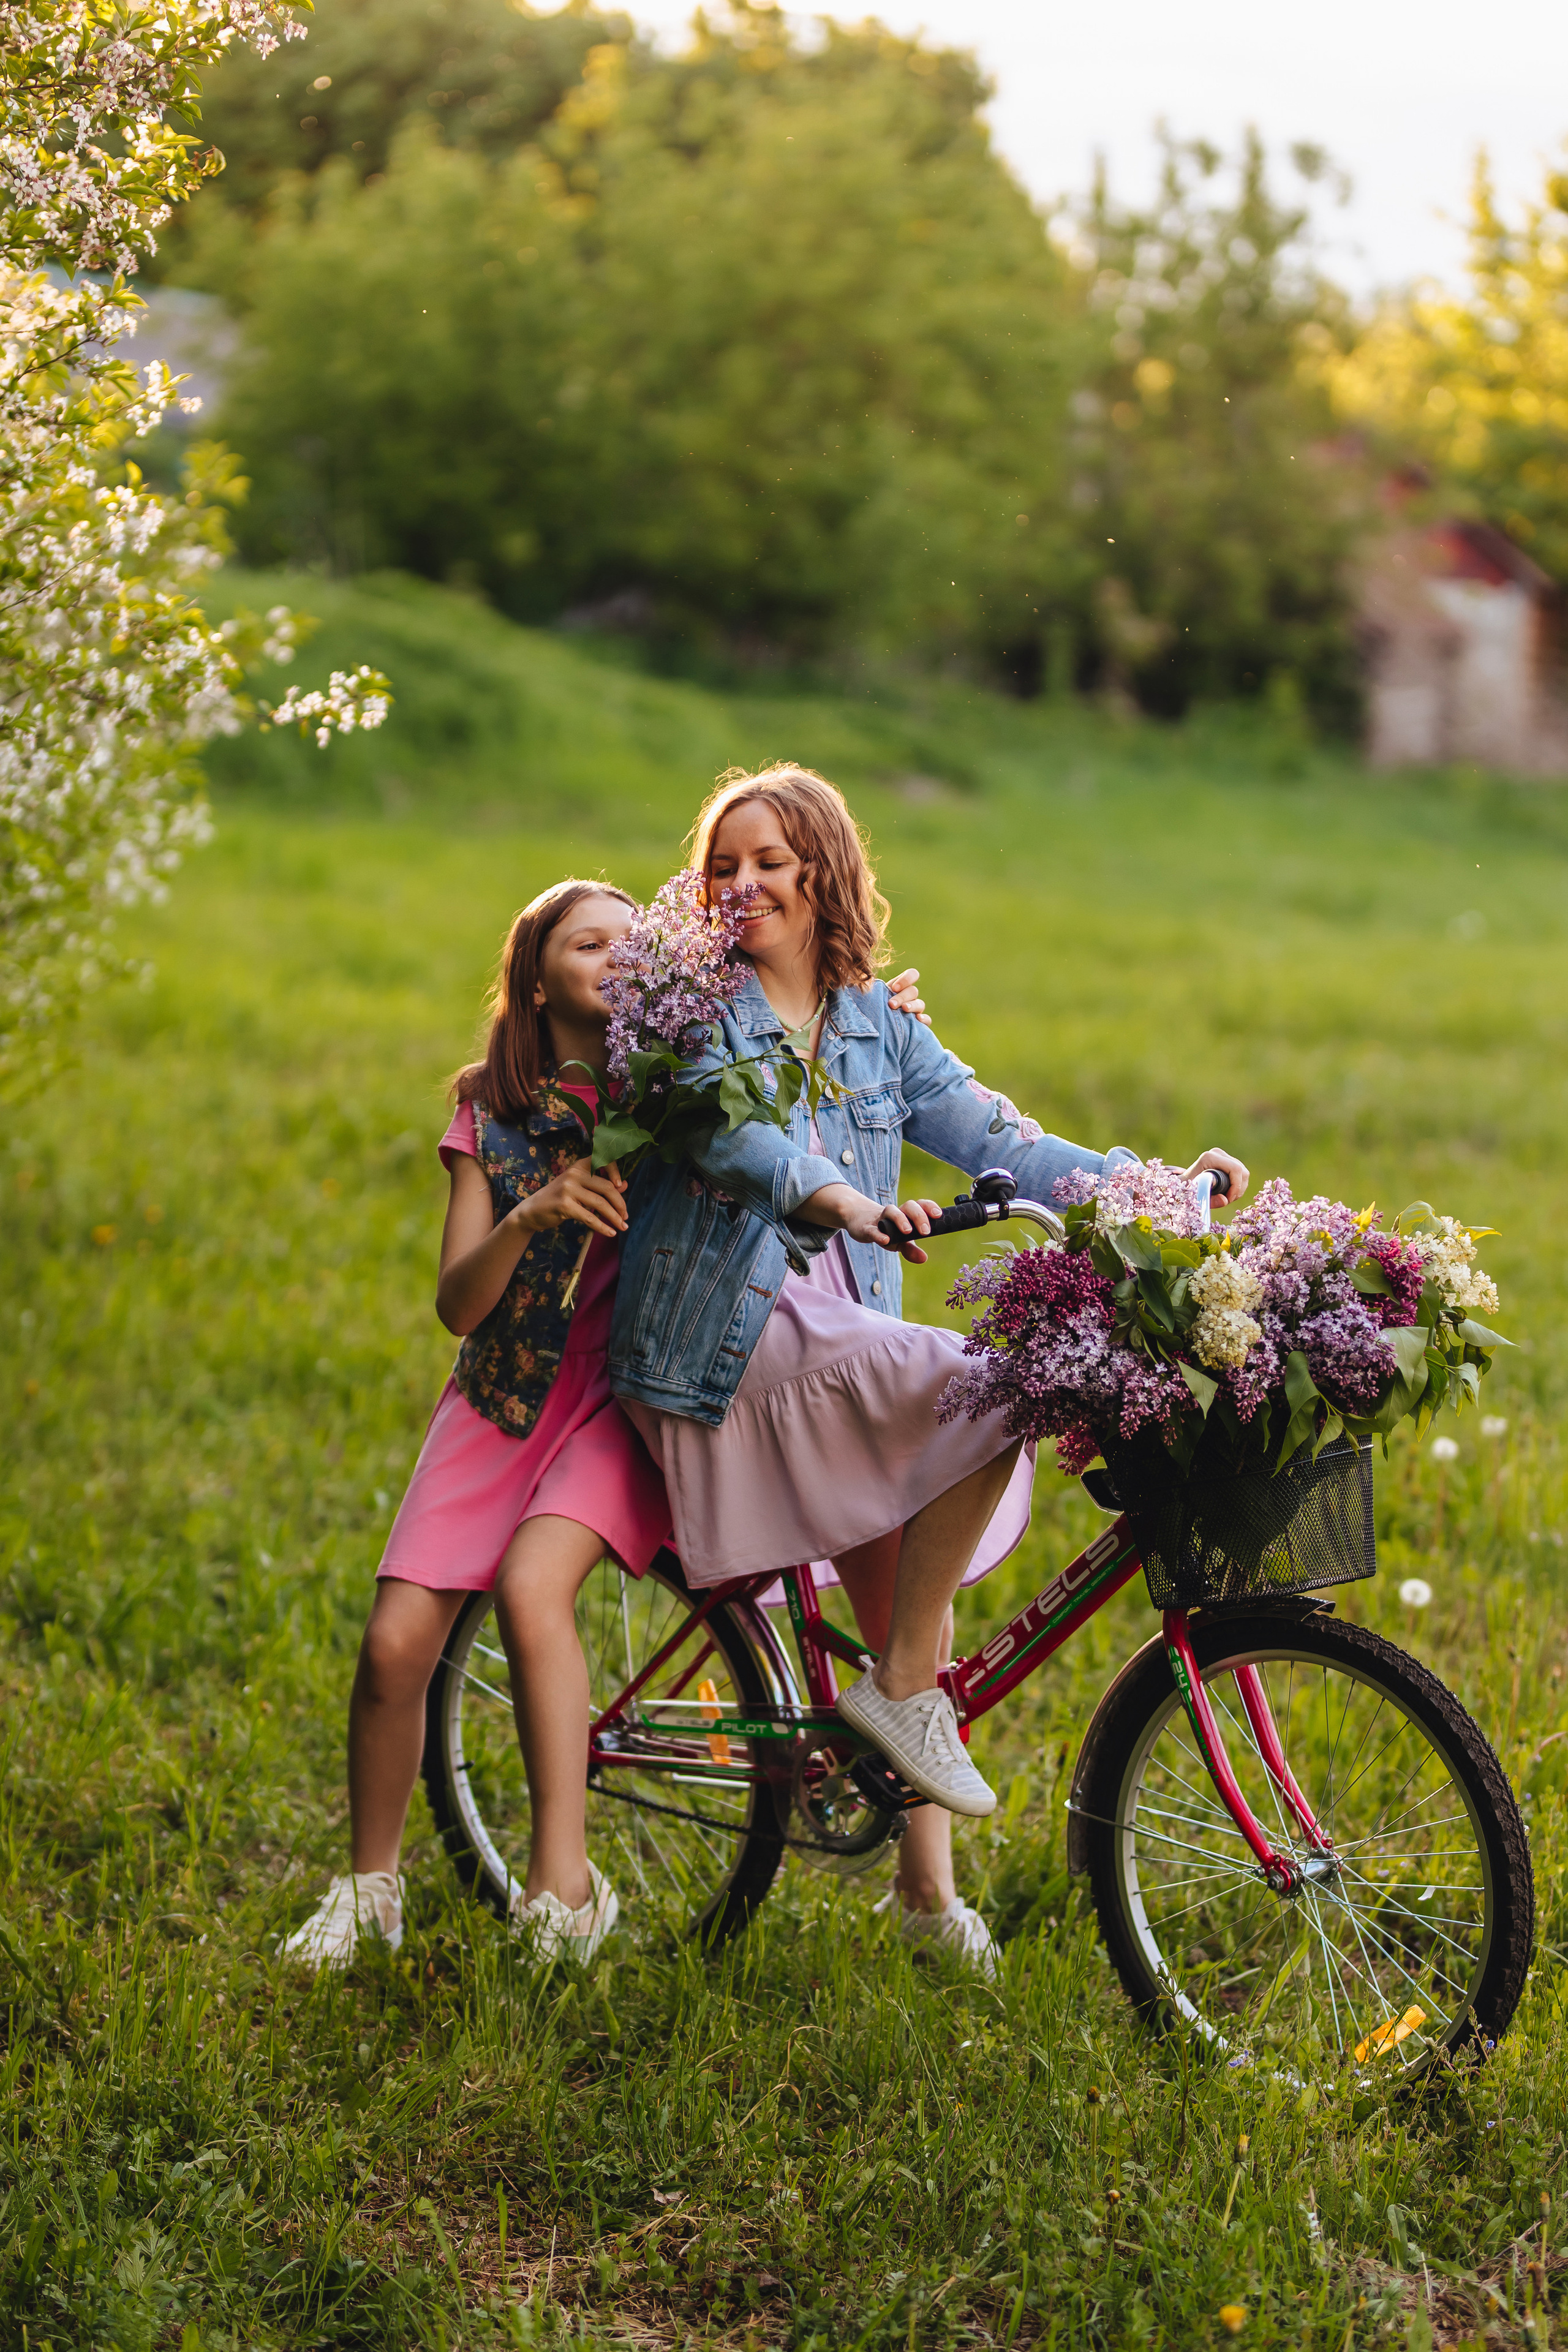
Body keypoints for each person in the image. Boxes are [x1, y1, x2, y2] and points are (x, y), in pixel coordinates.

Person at [610, 766, 1249, 1971]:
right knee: (988, 1385)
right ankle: (901, 1690)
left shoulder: (876, 1026)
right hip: (726, 1339)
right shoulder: (691, 1012)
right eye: (722, 865)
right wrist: (841, 1195)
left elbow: (1003, 1143)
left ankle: (920, 1893)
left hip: (836, 1332)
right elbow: (733, 1141)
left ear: (822, 875)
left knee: (910, 1576)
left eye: (768, 862)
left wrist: (1156, 1187)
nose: (740, 884)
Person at [281, 875, 930, 1970]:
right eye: (589, 942)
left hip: (621, 1396)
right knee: (396, 1645)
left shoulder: (679, 1078)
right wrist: (530, 1210)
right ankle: (370, 1889)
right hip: (503, 1391)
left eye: (636, 946)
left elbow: (789, 1076)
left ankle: (562, 1890)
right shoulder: (491, 1109)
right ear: (536, 972)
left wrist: (874, 1025)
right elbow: (457, 1304)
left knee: (534, 1590)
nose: (616, 958)